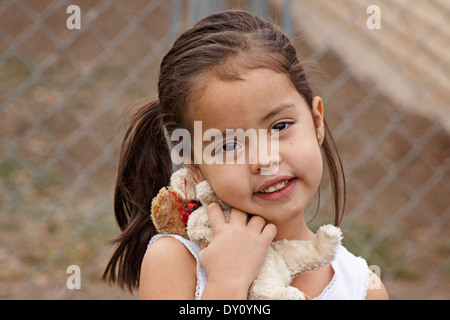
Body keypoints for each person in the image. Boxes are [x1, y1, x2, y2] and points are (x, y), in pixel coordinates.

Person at [103, 10, 389, 300]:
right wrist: (227, 284)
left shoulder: (362, 288)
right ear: (197, 168)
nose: (264, 160)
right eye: (228, 145)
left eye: (280, 126)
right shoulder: (176, 261)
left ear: (316, 121)